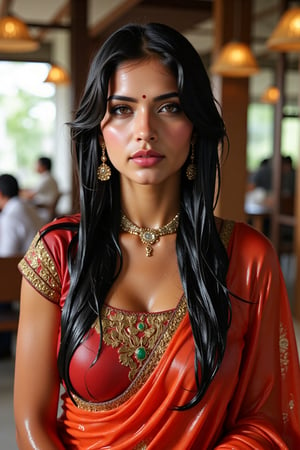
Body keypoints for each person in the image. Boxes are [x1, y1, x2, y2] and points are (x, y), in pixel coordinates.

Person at [14, 23, 300, 449]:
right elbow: (31, 423)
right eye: (123, 109)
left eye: (169, 108)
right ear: (99, 127)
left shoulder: (247, 257)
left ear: (195, 125)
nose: (144, 130)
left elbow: (266, 420)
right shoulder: (57, 251)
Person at [0, 174, 43, 358]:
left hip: (20, 281)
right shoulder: (29, 208)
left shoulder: (10, 219)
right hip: (39, 276)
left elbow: (5, 258)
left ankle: (3, 347)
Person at [0, 174, 43, 257]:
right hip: (41, 262)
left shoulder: (9, 218)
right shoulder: (29, 206)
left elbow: (6, 258)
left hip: (23, 266)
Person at [21, 156, 59, 223]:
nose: (35, 166)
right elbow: (32, 190)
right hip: (42, 208)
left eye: (37, 164)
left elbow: (31, 195)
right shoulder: (46, 177)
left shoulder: (46, 179)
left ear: (43, 166)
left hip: (43, 210)